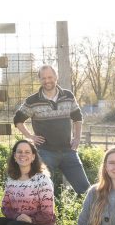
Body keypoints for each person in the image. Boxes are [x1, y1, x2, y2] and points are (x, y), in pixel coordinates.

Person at [14, 64, 90, 195]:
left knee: (86, 191)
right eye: (43, 78)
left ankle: (93, 214)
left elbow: (78, 117)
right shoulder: (32, 101)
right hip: (45, 152)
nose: (47, 80)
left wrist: (77, 138)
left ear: (56, 77)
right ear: (39, 80)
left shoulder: (68, 96)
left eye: (50, 77)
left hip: (68, 150)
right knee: (43, 191)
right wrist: (30, 137)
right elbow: (17, 120)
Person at [0, 140, 57, 225]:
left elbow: (48, 214)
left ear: (33, 156)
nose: (23, 155)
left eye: (27, 152)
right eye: (19, 152)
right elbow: (5, 207)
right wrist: (17, 216)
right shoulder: (12, 179)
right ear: (14, 156)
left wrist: (31, 219)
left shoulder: (42, 180)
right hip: (18, 223)